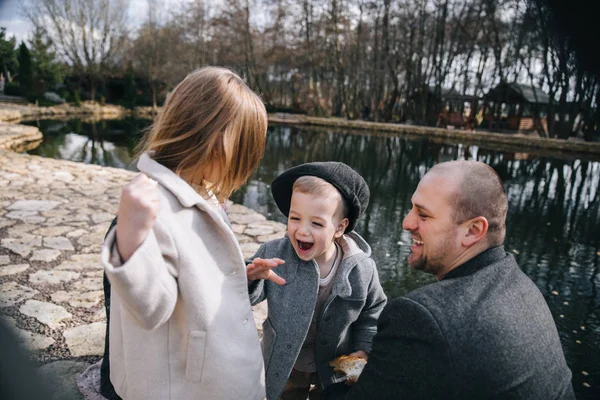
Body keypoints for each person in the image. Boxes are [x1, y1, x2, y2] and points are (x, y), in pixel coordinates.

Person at [323, 160, 575, 400]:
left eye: (424, 215)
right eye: (412, 208)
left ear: (473, 231)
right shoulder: (521, 288)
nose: (406, 222)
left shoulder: (423, 317)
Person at [98, 67, 268, 400]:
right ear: (215, 144)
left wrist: (236, 278)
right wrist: (130, 244)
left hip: (209, 375)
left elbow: (191, 274)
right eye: (242, 153)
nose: (242, 170)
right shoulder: (154, 205)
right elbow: (150, 308)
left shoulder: (199, 192)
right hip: (188, 387)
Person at [247, 162, 387, 400]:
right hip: (286, 362)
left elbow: (373, 311)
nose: (302, 231)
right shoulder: (274, 253)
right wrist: (250, 278)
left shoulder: (361, 269)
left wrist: (363, 349)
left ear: (340, 228)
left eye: (316, 223)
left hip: (335, 367)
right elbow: (245, 296)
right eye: (295, 218)